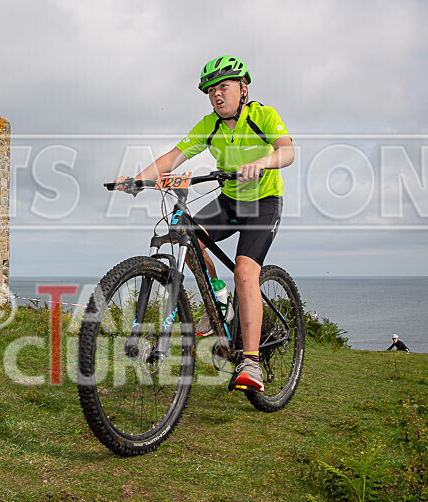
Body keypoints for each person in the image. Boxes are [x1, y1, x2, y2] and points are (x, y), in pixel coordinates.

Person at [112, 55, 295, 392]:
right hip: (229, 201)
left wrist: (263, 161)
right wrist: (138, 180)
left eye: (223, 87)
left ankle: (251, 362)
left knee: (244, 273)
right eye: (211, 91)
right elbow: (173, 158)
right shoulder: (208, 124)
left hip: (263, 204)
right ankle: (219, 302)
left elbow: (287, 151)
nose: (217, 95)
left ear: (243, 89)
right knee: (189, 237)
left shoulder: (263, 116)